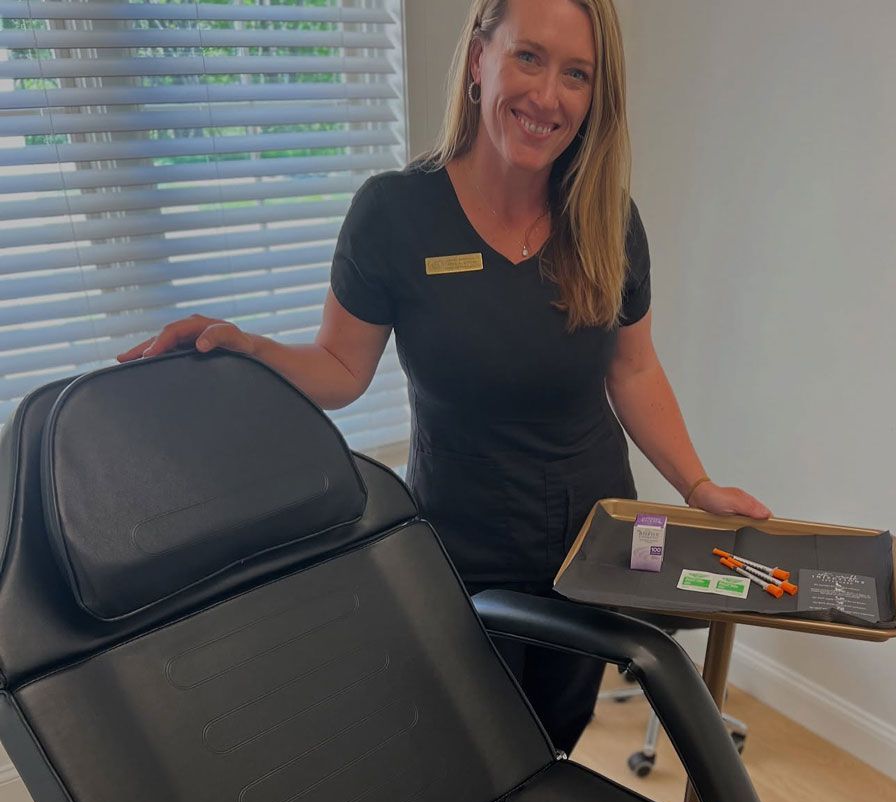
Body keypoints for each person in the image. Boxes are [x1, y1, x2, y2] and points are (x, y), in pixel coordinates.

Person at [119, 0, 770, 756]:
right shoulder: (394, 215)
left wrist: (698, 488)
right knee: (466, 753)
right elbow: (338, 367)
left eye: (577, 75)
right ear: (478, 59)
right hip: (461, 547)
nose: (547, 97)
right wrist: (247, 350)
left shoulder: (605, 219)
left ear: (596, 97)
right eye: (529, 57)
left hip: (591, 545)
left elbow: (634, 368)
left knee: (553, 747)